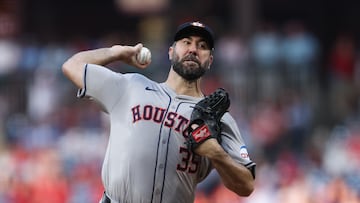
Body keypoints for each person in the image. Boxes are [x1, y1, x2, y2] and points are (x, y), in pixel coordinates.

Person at [62, 21, 256, 203]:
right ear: (171, 52)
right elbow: (72, 66)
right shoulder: (131, 86)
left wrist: (216, 153)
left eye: (202, 46)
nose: (193, 49)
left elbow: (246, 185)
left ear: (210, 60)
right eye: (186, 42)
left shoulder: (217, 117)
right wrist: (116, 53)